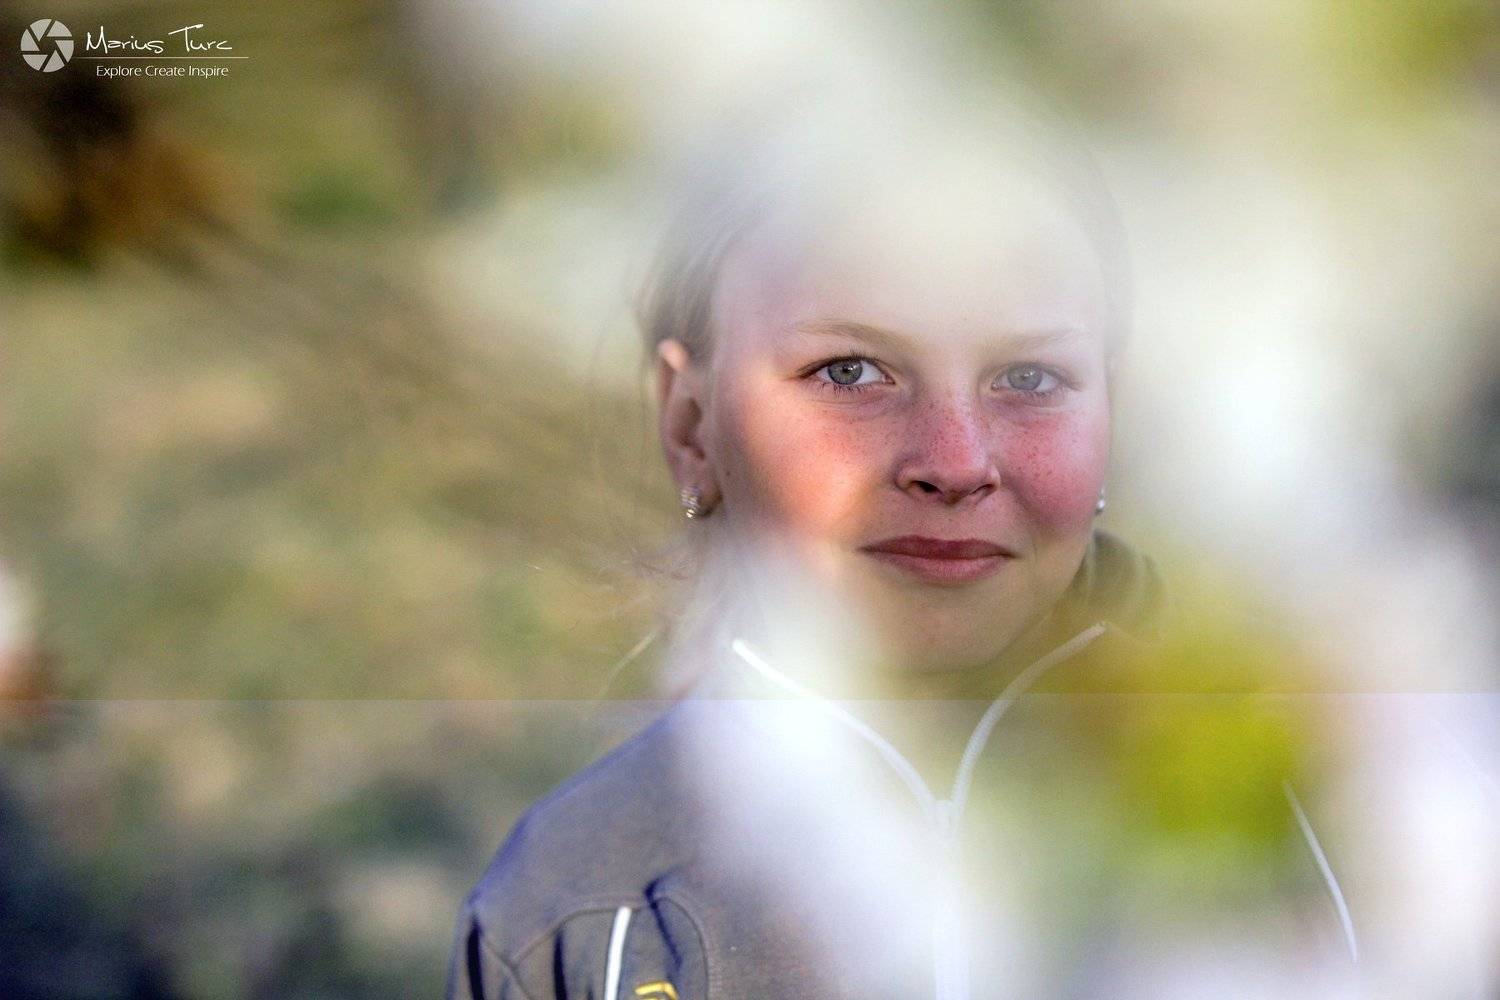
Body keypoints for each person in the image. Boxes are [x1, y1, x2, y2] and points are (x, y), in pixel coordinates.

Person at [446, 84, 1359, 999]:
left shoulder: (1349, 826)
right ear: (690, 425)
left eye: (1030, 375)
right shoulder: (573, 905)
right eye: (851, 371)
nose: (955, 462)